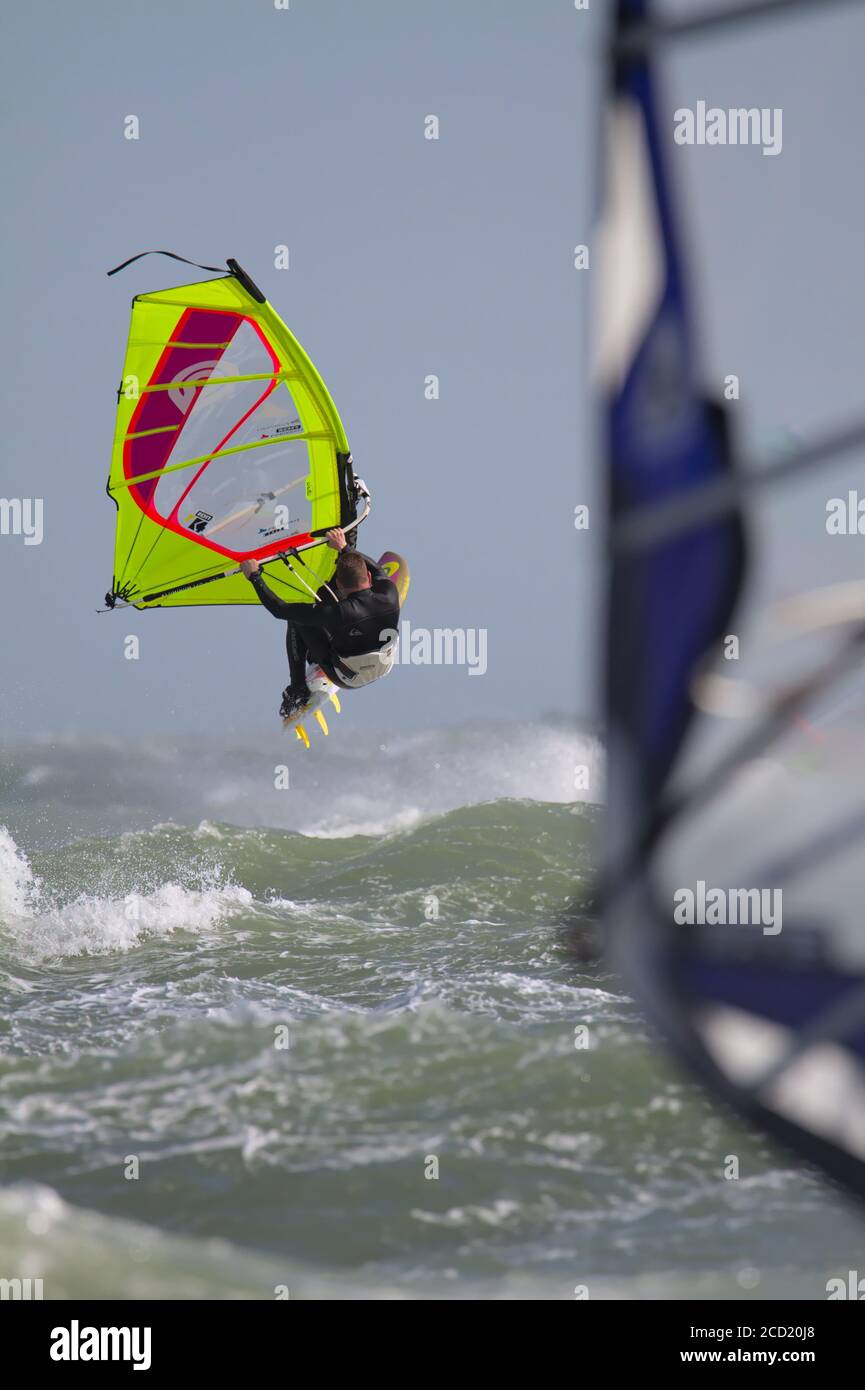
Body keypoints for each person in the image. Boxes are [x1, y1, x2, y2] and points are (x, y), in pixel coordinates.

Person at [240, 528, 401, 719]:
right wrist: (344, 547)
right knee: (342, 621)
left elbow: (279, 609)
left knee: (297, 619)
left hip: (347, 678)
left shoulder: (334, 613)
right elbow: (378, 569)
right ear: (368, 576)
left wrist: (254, 577)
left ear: (339, 585)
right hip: (385, 667)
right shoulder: (390, 593)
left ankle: (298, 689)